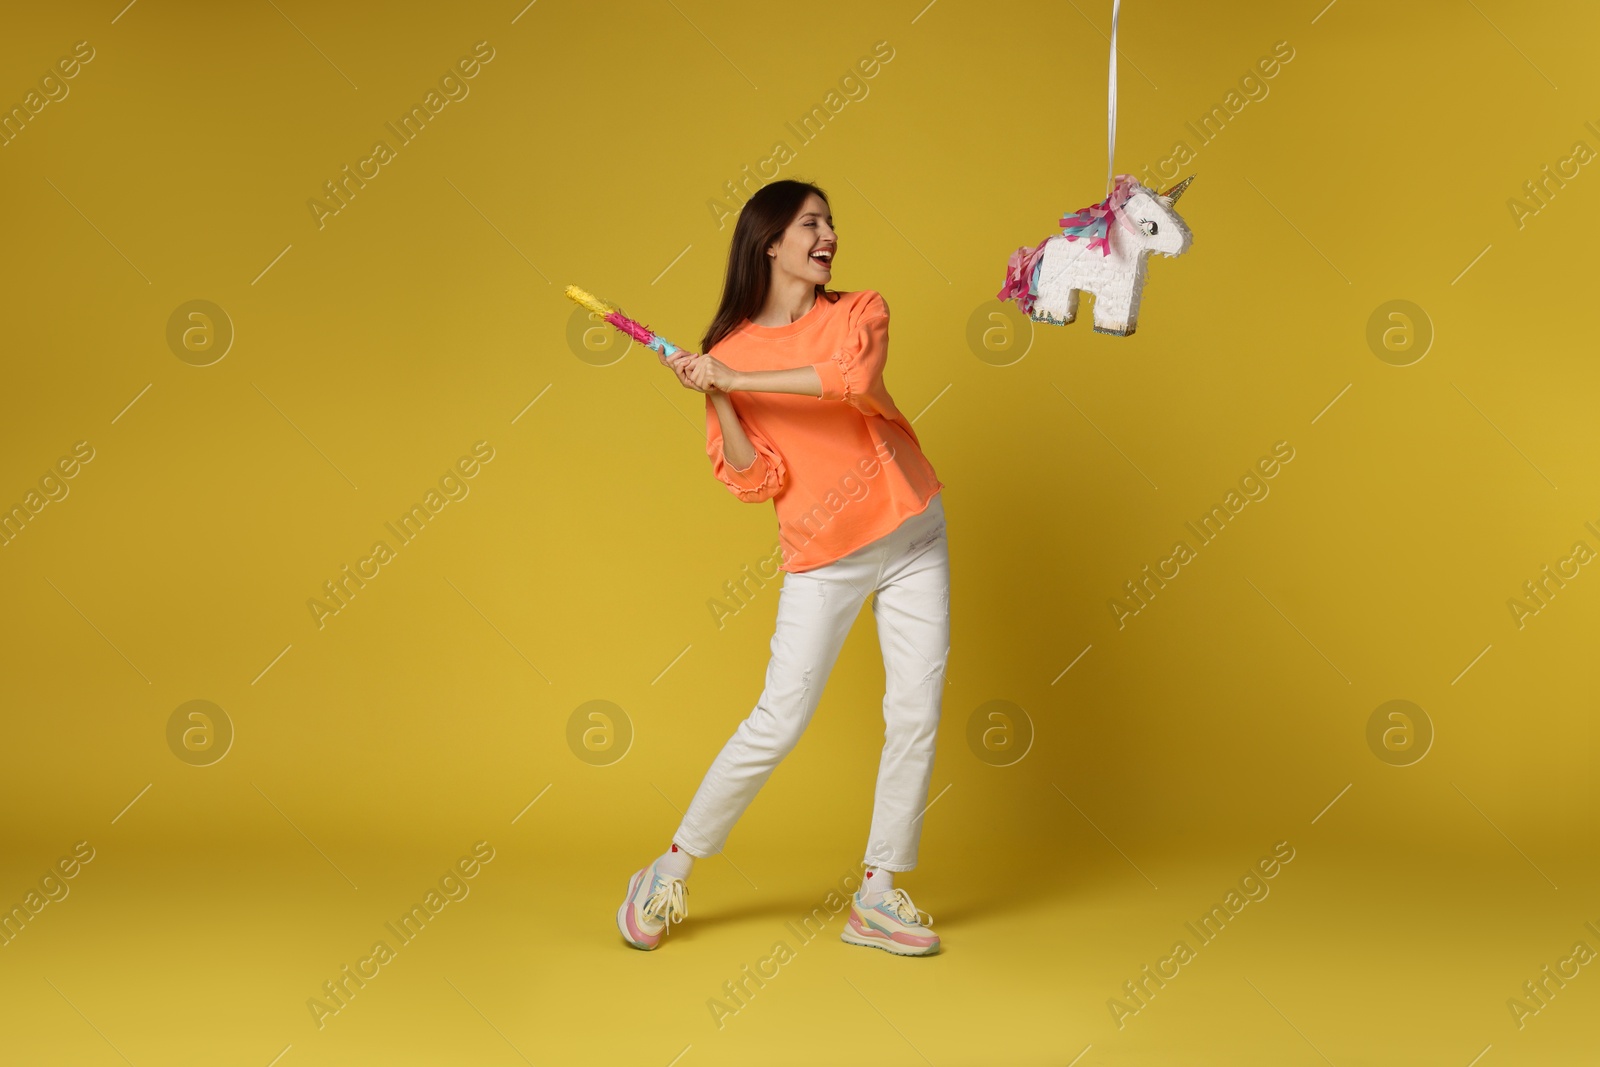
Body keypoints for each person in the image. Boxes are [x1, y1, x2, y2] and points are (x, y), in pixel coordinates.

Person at [615, 179, 949, 957]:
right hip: (825, 556)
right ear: (770, 241)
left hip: (913, 533)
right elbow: (752, 479)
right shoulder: (726, 354)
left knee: (915, 712)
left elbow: (853, 382)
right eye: (810, 222)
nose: (828, 232)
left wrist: (735, 380)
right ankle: (668, 870)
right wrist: (719, 392)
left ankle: (877, 892)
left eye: (830, 220)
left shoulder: (860, 311)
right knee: (778, 719)